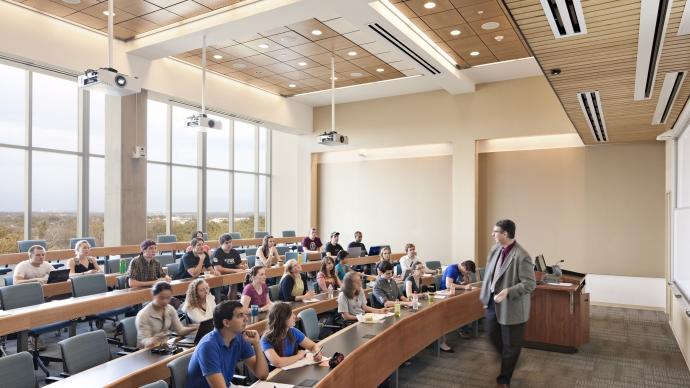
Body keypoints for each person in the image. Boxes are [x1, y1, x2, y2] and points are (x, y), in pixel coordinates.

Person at [480, 219, 536, 388]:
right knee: (491, 333)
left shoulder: (522, 255)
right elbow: (490, 274)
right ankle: (510, 357)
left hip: (511, 307)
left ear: (505, 234)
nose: (492, 234)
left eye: (495, 231)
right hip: (492, 301)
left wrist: (508, 292)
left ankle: (504, 380)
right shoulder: (495, 249)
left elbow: (529, 284)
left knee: (510, 345)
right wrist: (485, 296)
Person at [186, 301, 269, 387]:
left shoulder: (240, 337)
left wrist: (256, 344)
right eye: (240, 315)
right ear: (226, 323)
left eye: (245, 314)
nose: (246, 319)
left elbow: (262, 375)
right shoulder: (208, 346)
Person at [135, 281, 199, 348]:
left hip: (165, 346)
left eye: (168, 298)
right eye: (161, 298)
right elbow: (143, 341)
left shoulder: (170, 309)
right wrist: (153, 339)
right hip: (147, 351)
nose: (165, 301)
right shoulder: (143, 315)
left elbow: (180, 330)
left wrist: (195, 328)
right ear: (153, 296)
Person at [260, 303, 322, 368]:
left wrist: (318, 352)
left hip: (292, 368)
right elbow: (278, 363)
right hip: (276, 373)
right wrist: (298, 356)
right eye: (291, 314)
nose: (295, 316)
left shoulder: (293, 331)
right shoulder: (266, 339)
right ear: (283, 319)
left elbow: (313, 346)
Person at [212, 234, 247, 300]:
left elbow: (237, 266)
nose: (229, 244)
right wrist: (235, 270)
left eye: (230, 242)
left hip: (232, 274)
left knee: (234, 284)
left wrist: (243, 267)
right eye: (226, 243)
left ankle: (232, 304)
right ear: (221, 244)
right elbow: (218, 268)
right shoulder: (217, 252)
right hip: (219, 276)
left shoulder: (234, 252)